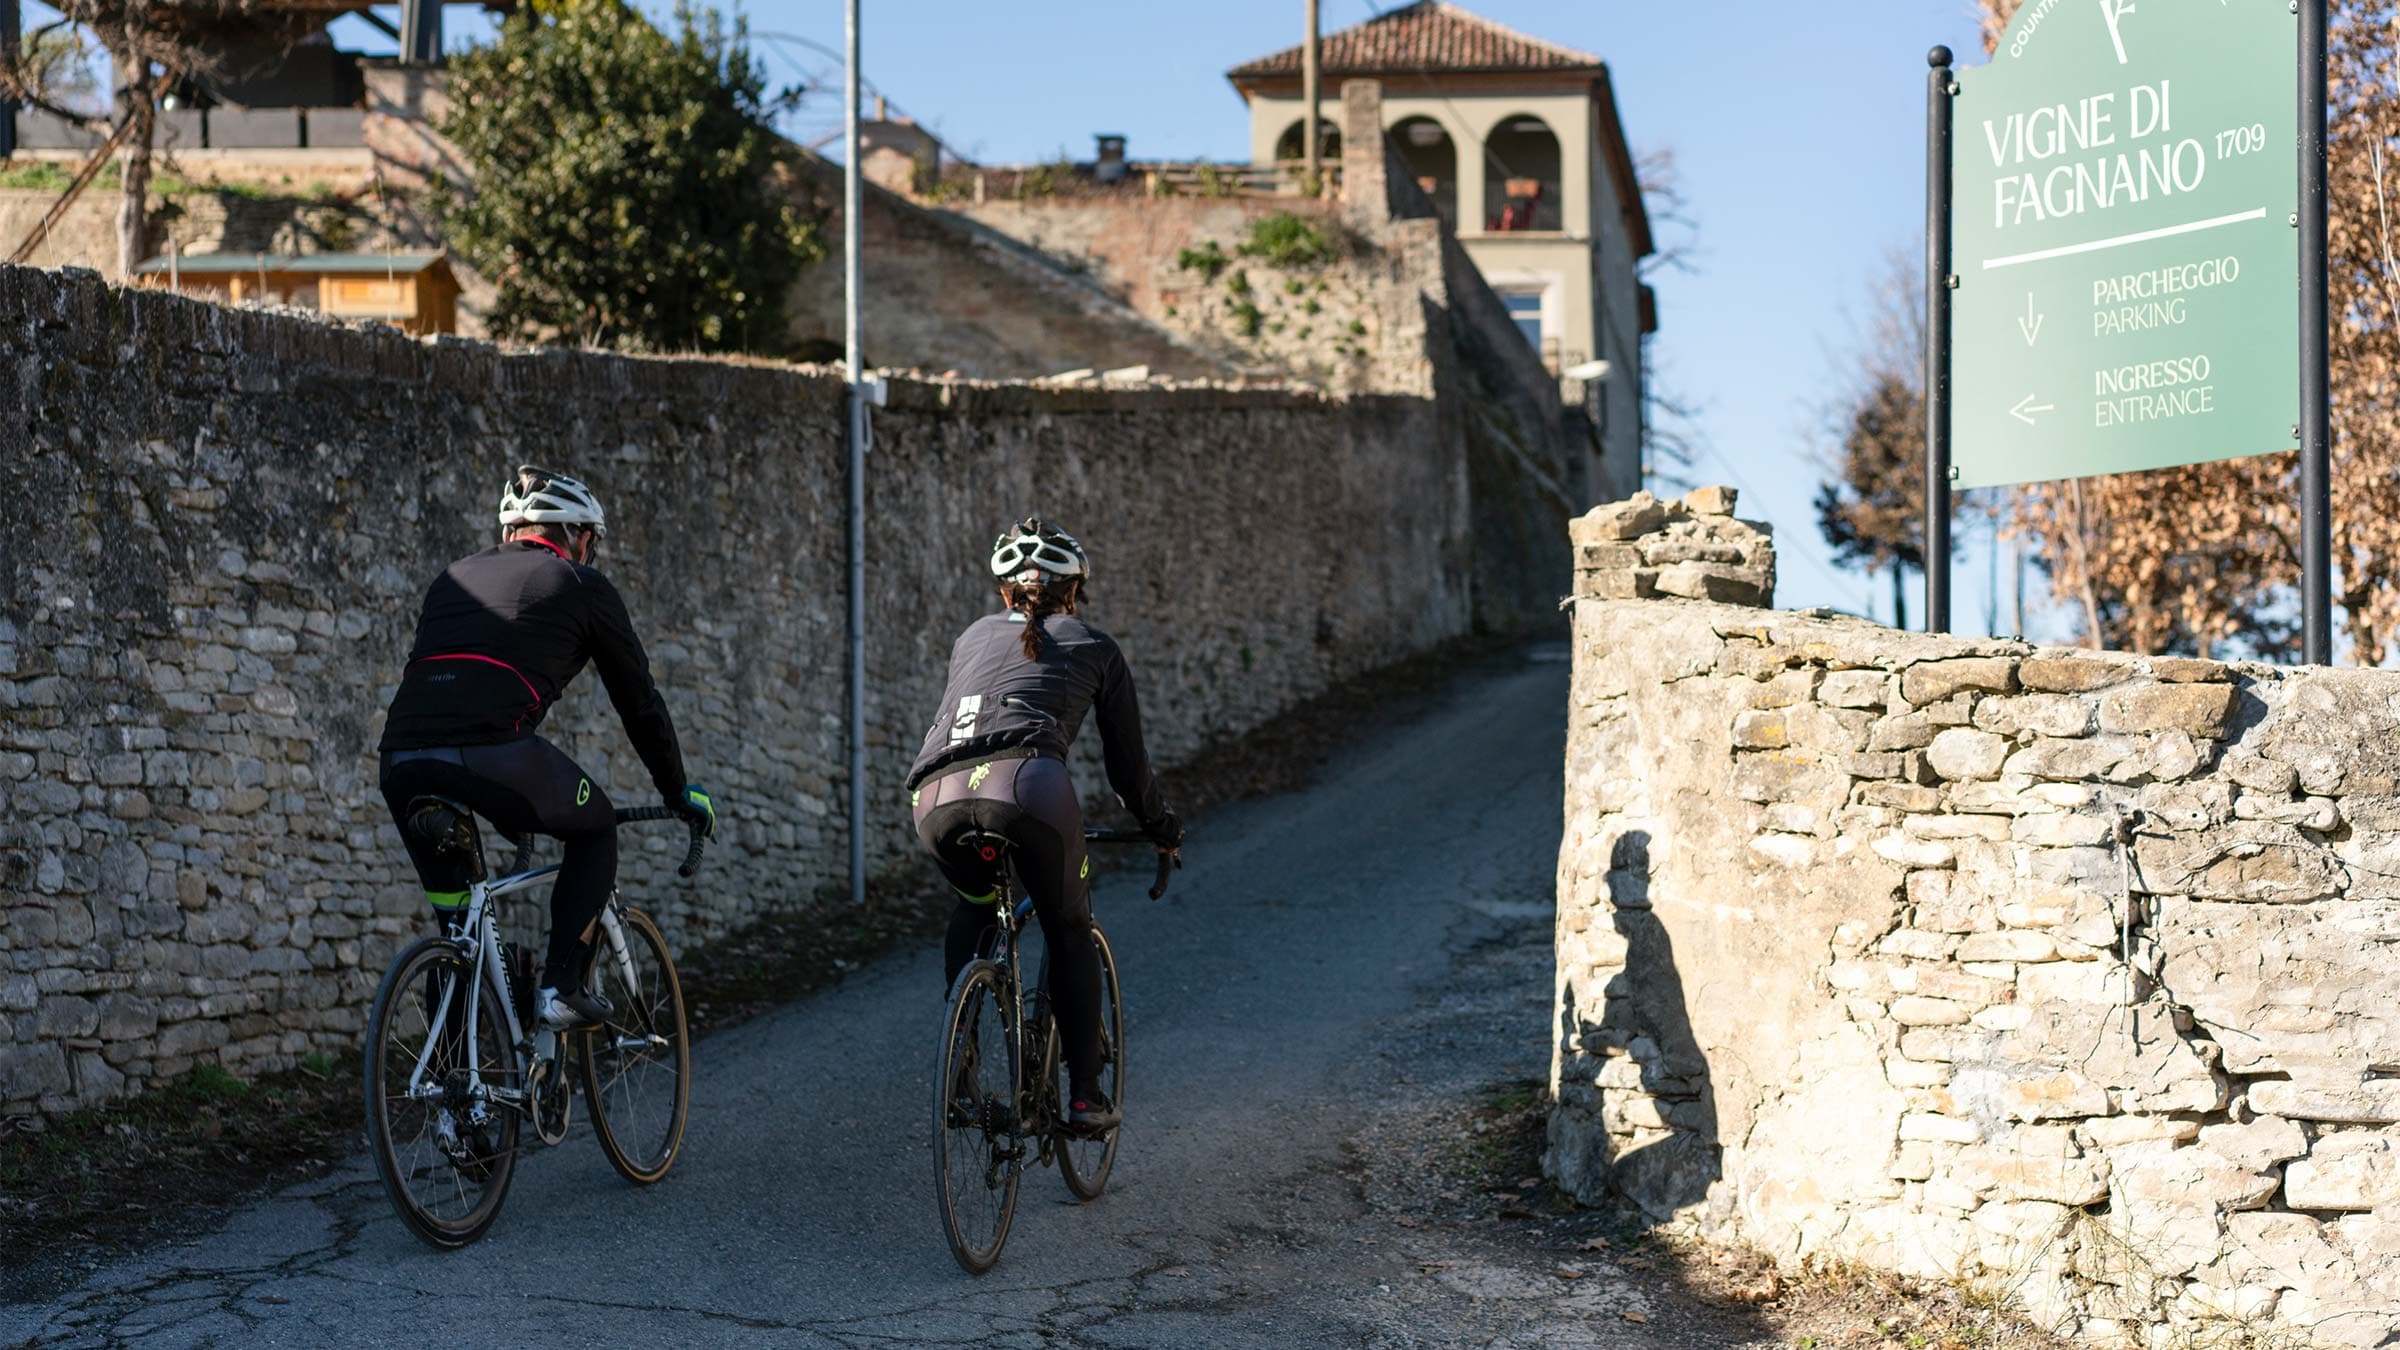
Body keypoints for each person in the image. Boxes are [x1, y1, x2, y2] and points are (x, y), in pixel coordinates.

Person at [377, 465, 715, 1030]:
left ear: (513, 532)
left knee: (459, 926)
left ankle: (452, 1103)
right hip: (491, 755)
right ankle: (561, 986)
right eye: (592, 542)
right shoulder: (583, 586)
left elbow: (456, 681)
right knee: (596, 824)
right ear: (579, 537)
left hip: (403, 760)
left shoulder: (451, 576)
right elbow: (640, 702)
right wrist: (675, 788)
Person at [907, 518, 1182, 1132]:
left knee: (976, 907)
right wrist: (1162, 826)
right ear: (1074, 592)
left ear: (1006, 593)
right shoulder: (1094, 644)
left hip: (934, 796)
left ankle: (960, 1071)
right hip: (1027, 788)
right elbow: (1128, 769)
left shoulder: (971, 636)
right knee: (1068, 926)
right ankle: (1084, 1097)